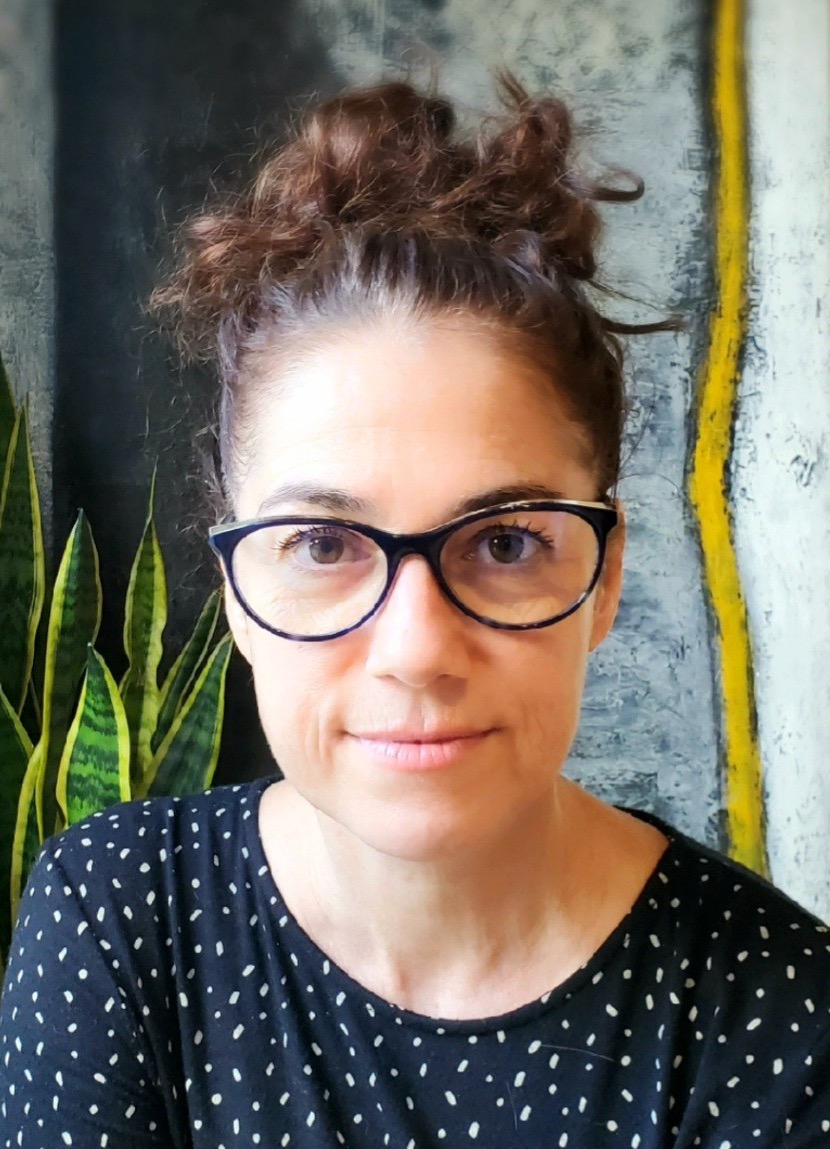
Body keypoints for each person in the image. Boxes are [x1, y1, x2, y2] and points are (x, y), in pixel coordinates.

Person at [1, 75, 829, 1149]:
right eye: (322, 545)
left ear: (606, 574)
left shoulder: (776, 1009)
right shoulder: (116, 920)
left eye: (504, 543)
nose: (416, 650)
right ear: (236, 590)